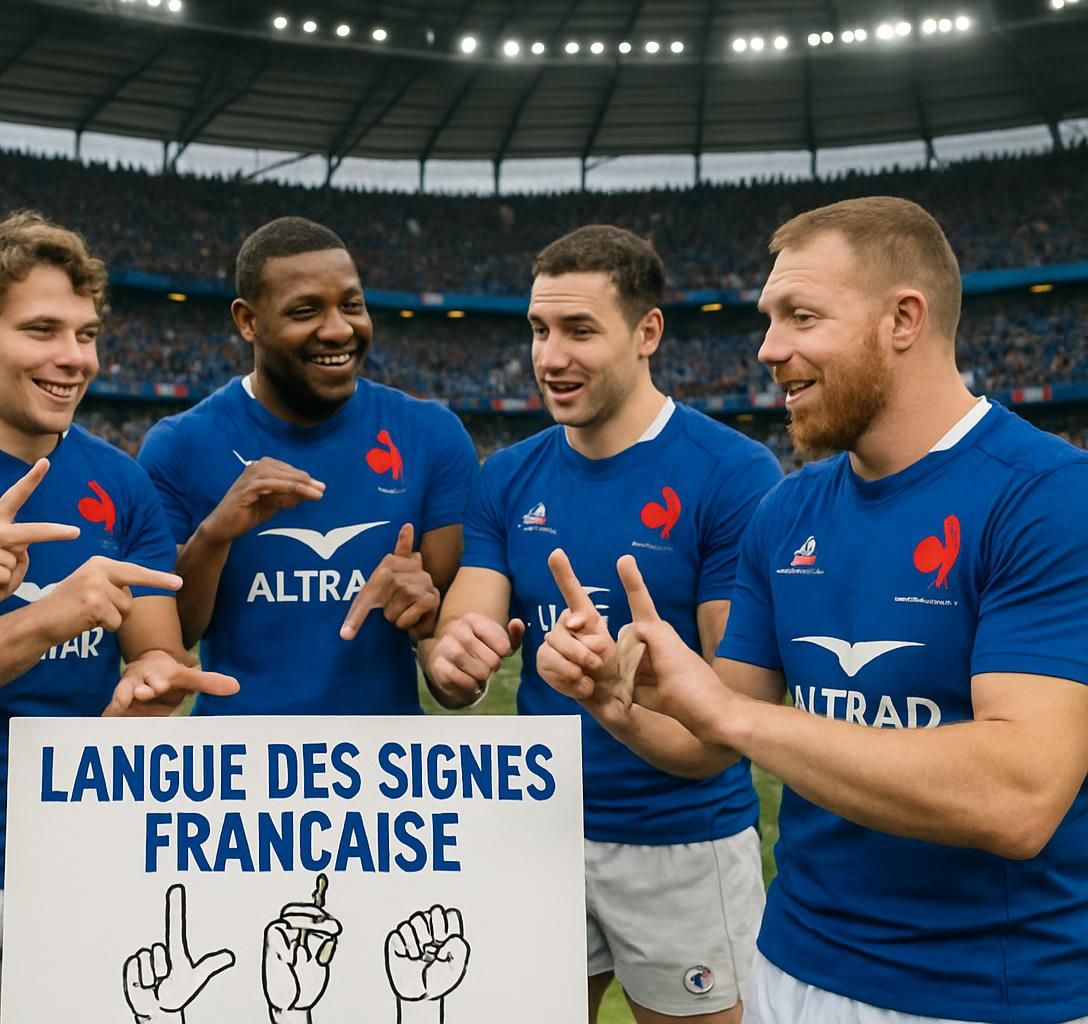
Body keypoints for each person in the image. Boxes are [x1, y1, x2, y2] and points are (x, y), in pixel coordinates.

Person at [547, 197, 1088, 1024]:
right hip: (791, 964)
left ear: (903, 319)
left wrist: (733, 716)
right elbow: (709, 742)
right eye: (769, 319)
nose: (769, 349)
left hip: (981, 993)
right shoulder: (787, 511)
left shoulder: (1047, 497)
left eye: (801, 316)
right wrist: (614, 699)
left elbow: (1017, 796)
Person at [0, 212, 237, 1024]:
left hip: (76, 860)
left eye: (86, 334)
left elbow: (156, 656)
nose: (75, 357)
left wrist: (150, 688)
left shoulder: (119, 483)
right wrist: (44, 620)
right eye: (42, 330)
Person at [420, 225, 780, 1024]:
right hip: (538, 832)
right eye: (539, 330)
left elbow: (729, 723)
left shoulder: (733, 474)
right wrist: (452, 662)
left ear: (647, 331)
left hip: (681, 842)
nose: (550, 357)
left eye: (579, 330)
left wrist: (615, 705)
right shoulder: (508, 477)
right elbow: (459, 655)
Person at [137, 216, 479, 715]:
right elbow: (172, 636)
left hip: (386, 758)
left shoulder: (432, 435)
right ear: (248, 321)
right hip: (238, 756)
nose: (339, 329)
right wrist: (213, 536)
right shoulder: (178, 445)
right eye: (306, 311)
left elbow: (448, 651)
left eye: (352, 305)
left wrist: (431, 625)